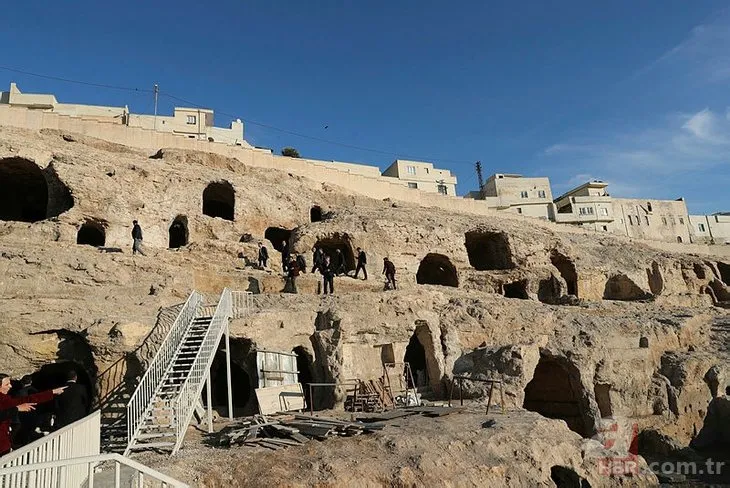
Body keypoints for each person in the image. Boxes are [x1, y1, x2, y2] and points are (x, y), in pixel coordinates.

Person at [0, 374, 66, 456]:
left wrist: (52, 392)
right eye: (6, 384)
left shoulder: (5, 398)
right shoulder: (3, 400)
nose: (10, 386)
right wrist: (16, 409)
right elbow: (27, 399)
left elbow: (27, 399)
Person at [11, 376, 41, 447]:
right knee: (30, 433)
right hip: (33, 415)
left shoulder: (19, 393)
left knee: (22, 434)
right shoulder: (36, 391)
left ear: (22, 382)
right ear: (31, 382)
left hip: (22, 416)